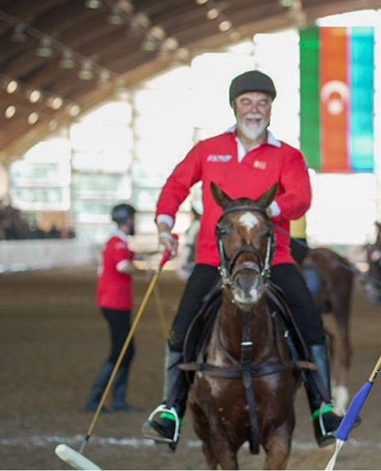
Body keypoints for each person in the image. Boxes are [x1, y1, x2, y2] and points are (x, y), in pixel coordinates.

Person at [141, 70, 352, 449]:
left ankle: (321, 408)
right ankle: (170, 410)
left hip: (274, 260)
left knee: (309, 322)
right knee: (182, 326)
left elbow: (301, 197)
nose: (254, 109)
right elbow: (175, 185)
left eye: (262, 102)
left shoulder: (287, 155)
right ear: (234, 106)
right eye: (247, 102)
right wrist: (164, 227)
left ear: (271, 108)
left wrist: (270, 207)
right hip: (213, 259)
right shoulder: (208, 149)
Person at [84, 203, 147, 412]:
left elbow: (130, 256)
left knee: (125, 351)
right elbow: (123, 266)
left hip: (116, 303)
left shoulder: (119, 242)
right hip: (115, 303)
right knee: (121, 352)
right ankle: (97, 398)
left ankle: (117, 399)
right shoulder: (117, 243)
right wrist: (143, 270)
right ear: (127, 220)